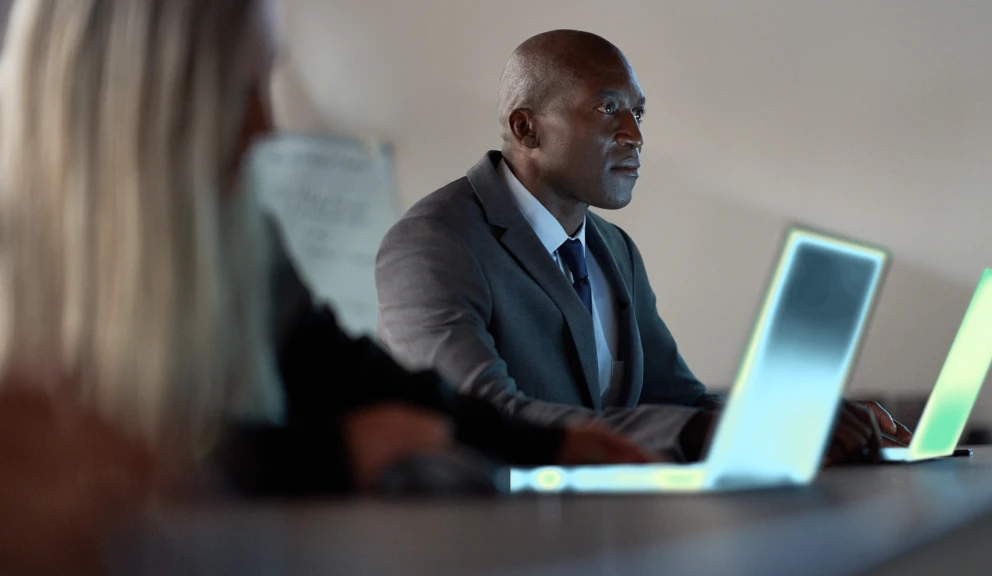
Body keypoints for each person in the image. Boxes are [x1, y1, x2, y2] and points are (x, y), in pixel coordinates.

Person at [0, 4, 652, 570]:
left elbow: (343, 370)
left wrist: (548, 445)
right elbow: (85, 475)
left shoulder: (234, 241)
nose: (266, 127)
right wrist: (332, 455)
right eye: (239, 88)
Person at [375, 29, 913, 463]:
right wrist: (706, 432)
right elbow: (481, 416)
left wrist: (796, 418)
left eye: (638, 113)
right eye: (607, 108)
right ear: (526, 129)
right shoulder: (433, 243)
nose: (634, 134)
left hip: (613, 530)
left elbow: (677, 401)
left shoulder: (615, 249)